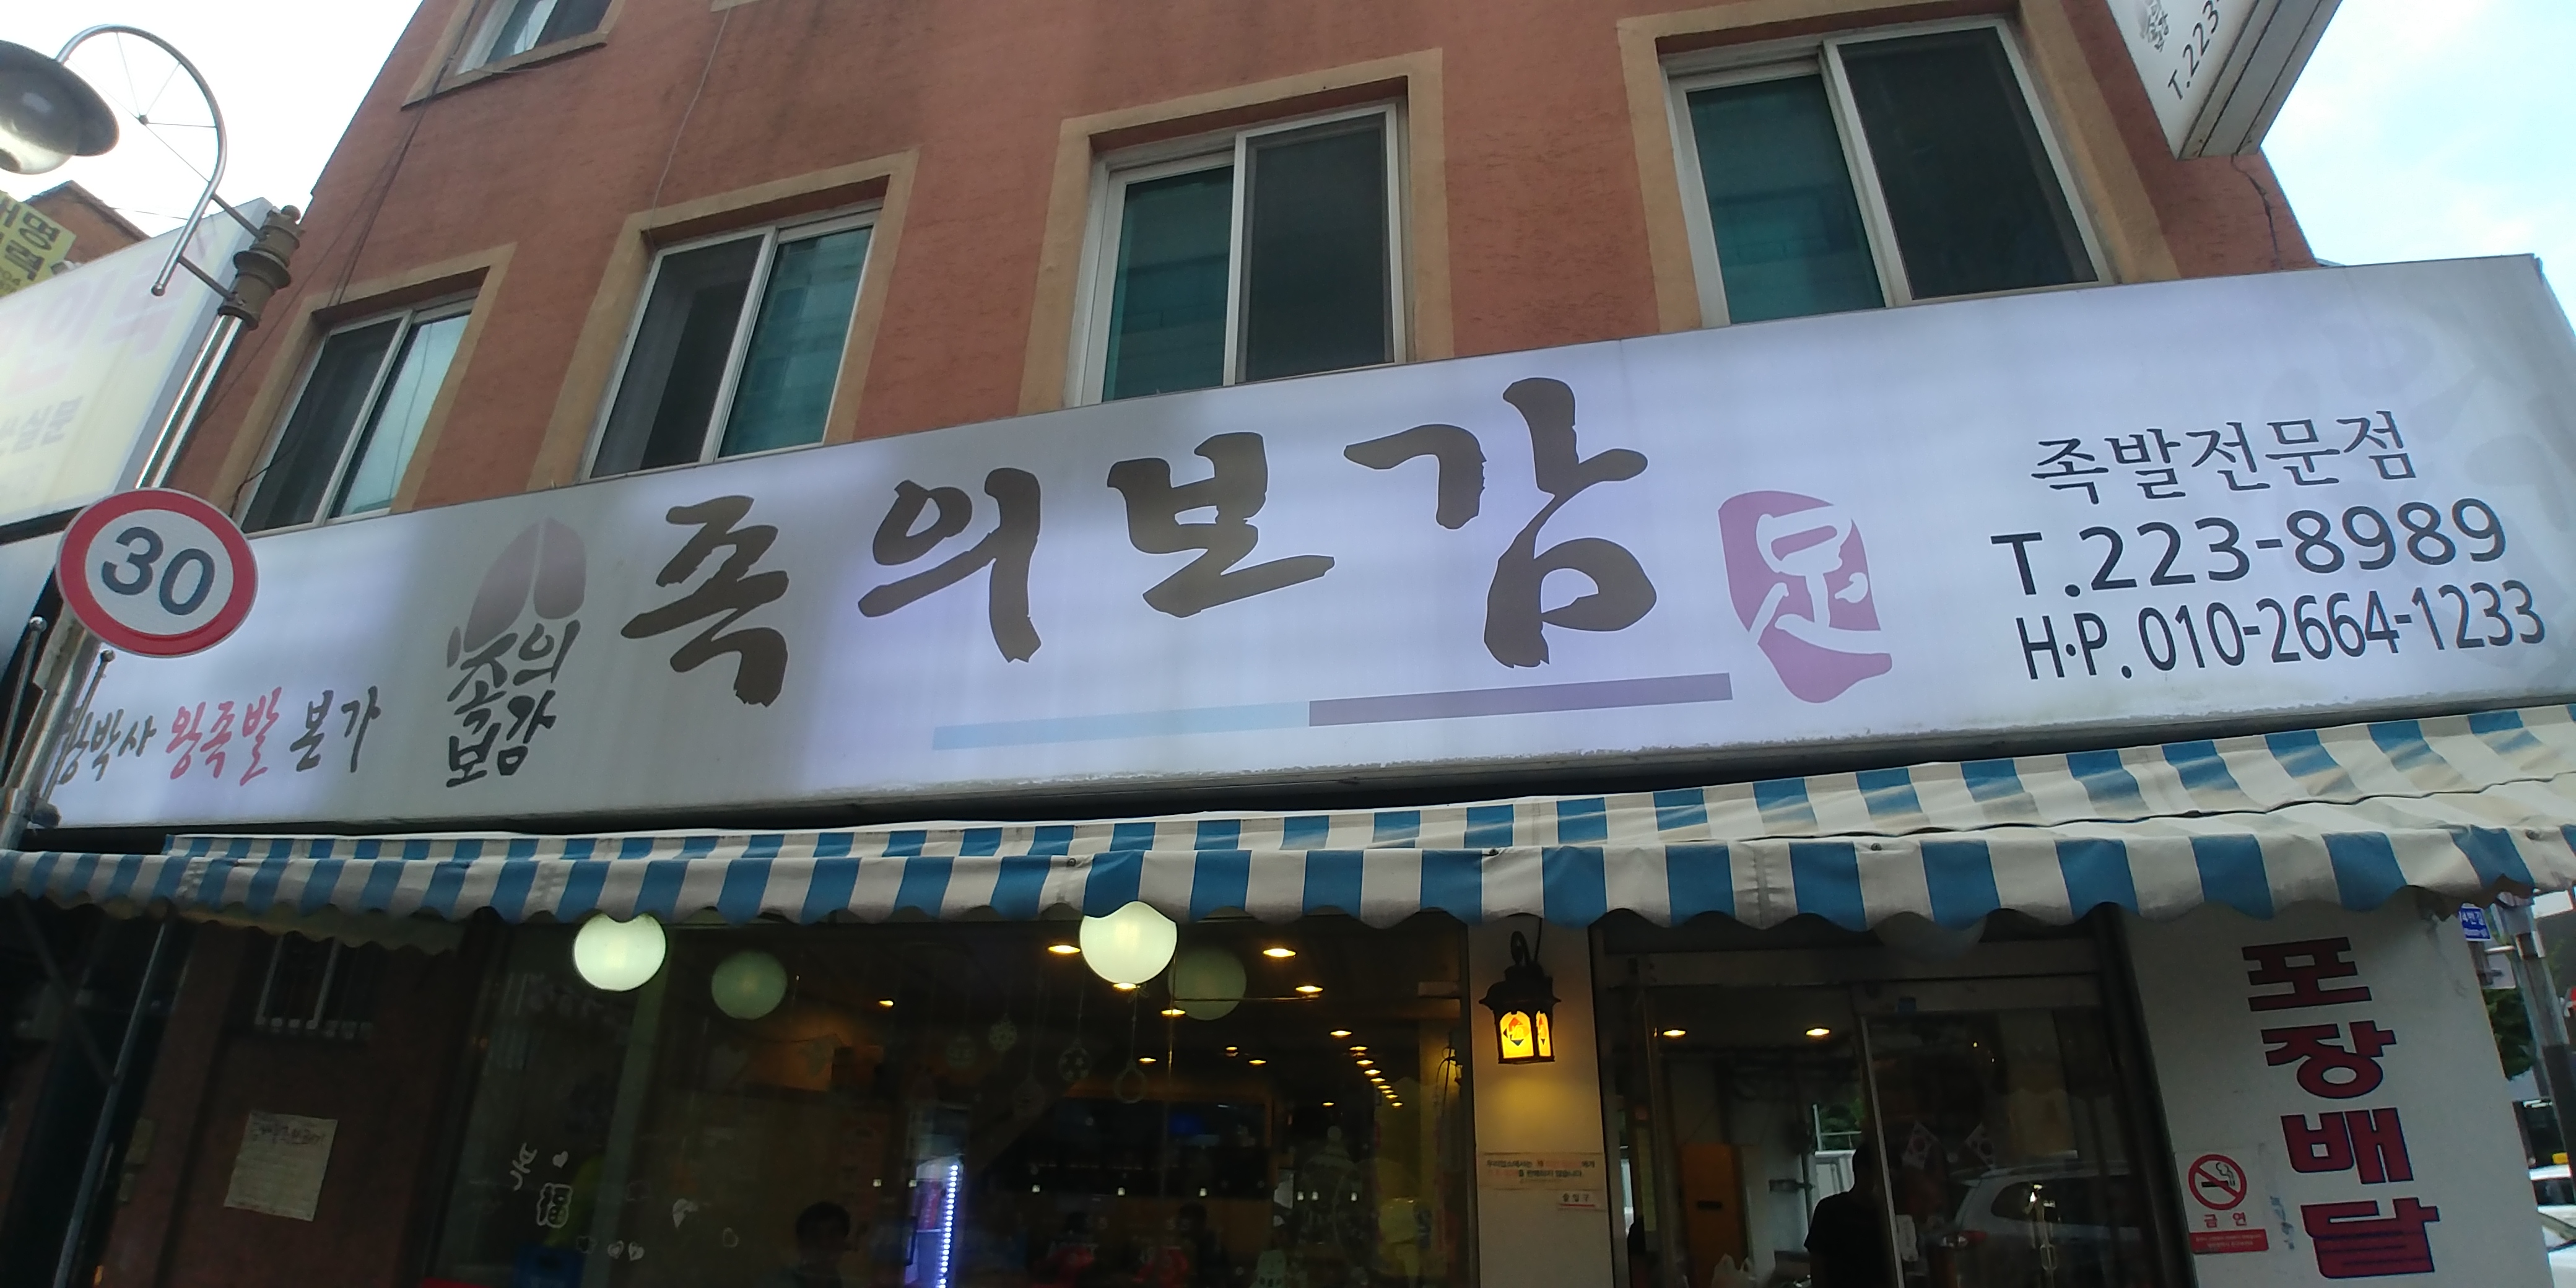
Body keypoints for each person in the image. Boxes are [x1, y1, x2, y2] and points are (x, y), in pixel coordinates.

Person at [1804, 1143, 1893, 1288]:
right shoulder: (1830, 1211)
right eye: (1885, 1176)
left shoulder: (1890, 1216)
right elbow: (1817, 1267)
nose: (1889, 1184)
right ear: (1864, 1173)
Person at [761, 1201, 853, 1288]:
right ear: (801, 1243)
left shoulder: (852, 1283)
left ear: (844, 1243)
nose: (824, 1243)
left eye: (833, 1234)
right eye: (814, 1234)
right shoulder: (772, 1284)